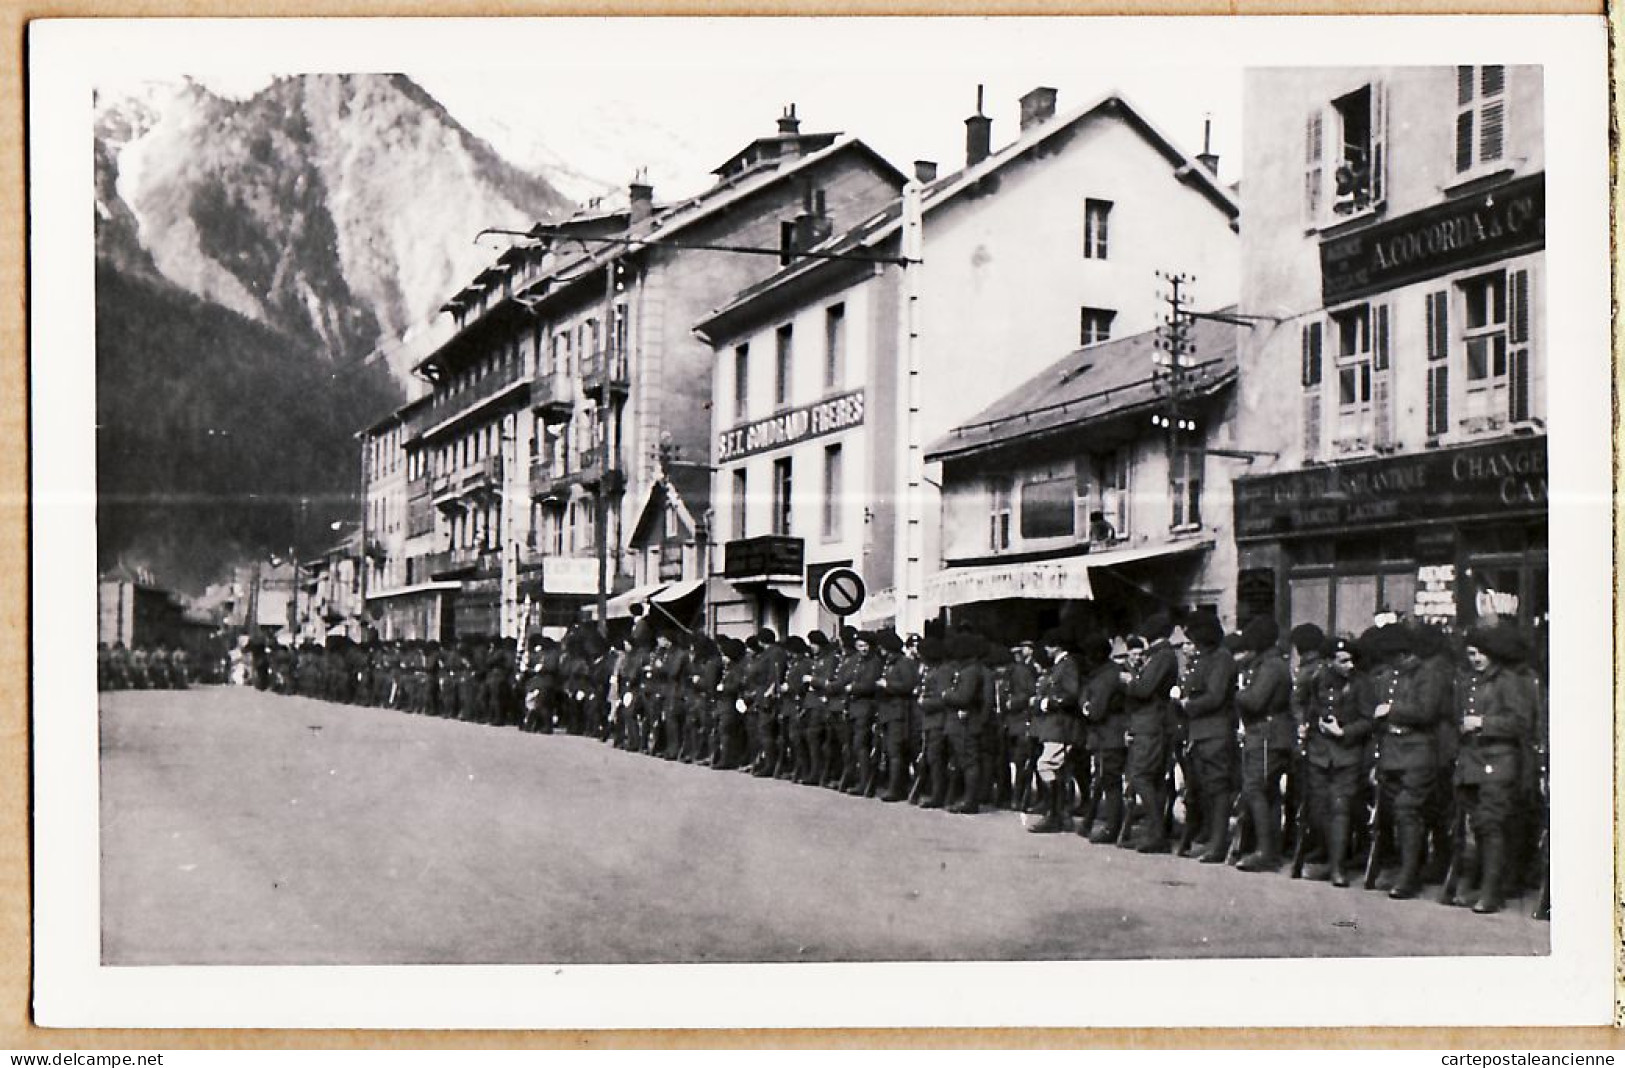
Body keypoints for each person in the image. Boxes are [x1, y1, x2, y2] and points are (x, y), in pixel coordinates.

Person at [1451, 624, 1537, 914]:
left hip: (1499, 762)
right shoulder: (1469, 682)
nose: (1474, 659)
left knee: (1492, 825)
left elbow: (1520, 723)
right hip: (1472, 761)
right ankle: (1478, 886)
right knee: (1477, 826)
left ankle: (1491, 893)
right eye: (1471, 654)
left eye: (1479, 654)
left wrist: (1482, 723)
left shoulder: (1508, 681)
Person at [1369, 624, 1444, 900]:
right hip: (1391, 752)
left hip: (1417, 751)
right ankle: (1408, 865)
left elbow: (1426, 711)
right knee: (1394, 812)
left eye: (1397, 656)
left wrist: (1391, 711)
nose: (1396, 663)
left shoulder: (1427, 675)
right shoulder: (1387, 676)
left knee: (1408, 810)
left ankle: (1408, 875)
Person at [1304, 636, 1374, 886]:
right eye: (1343, 661)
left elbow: (1368, 720)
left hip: (1347, 755)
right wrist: (1308, 727)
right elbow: (1307, 708)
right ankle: (1328, 859)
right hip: (1320, 755)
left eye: (1351, 660)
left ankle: (1337, 868)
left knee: (1341, 810)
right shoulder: (1317, 680)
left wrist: (1344, 732)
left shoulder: (1361, 684)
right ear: (1328, 661)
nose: (1350, 665)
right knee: (1320, 810)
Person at [1172, 611, 1238, 862]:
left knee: (1218, 789)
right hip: (1199, 733)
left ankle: (1218, 844)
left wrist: (1187, 704)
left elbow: (1215, 696)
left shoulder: (1221, 659)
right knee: (1204, 790)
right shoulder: (1205, 659)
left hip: (1215, 732)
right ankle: (1209, 838)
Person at [1233, 616, 1293, 873]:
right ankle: (1270, 849)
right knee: (1268, 793)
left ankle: (1265, 851)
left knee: (1256, 789)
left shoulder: (1270, 666)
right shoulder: (1271, 663)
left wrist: (1235, 693)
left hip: (1267, 734)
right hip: (1272, 733)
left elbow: (1256, 701)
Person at [1123, 619, 1177, 851]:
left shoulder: (1162, 656)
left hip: (1151, 722)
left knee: (1141, 775)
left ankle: (1156, 834)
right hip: (1153, 722)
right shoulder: (1161, 655)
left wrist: (1129, 682)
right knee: (1152, 778)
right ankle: (1154, 831)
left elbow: (1145, 688)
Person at [1026, 627, 1082, 833]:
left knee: (1046, 764)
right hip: (1055, 726)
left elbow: (1070, 695)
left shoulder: (1067, 666)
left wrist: (1046, 703)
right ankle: (1058, 814)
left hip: (1062, 726)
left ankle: (1054, 814)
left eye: (1049, 646)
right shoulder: (1061, 666)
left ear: (1056, 647)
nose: (1047, 651)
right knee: (1056, 768)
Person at [1078, 634, 1127, 843]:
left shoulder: (1105, 676)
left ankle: (1111, 828)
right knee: (1104, 779)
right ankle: (1097, 822)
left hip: (1109, 734)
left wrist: (1087, 708)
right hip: (1107, 734)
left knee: (1110, 781)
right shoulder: (1107, 672)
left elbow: (1096, 710)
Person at [942, 633, 987, 815]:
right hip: (962, 722)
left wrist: (947, 695)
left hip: (965, 723)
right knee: (964, 761)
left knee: (968, 762)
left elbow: (963, 697)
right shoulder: (969, 669)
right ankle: (965, 799)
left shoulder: (970, 671)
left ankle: (970, 801)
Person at [874, 629, 919, 802]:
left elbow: (908, 685)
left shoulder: (904, 663)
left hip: (899, 712)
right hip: (888, 711)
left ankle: (896, 788)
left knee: (895, 752)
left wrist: (887, 685)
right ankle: (896, 785)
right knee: (891, 751)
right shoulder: (890, 663)